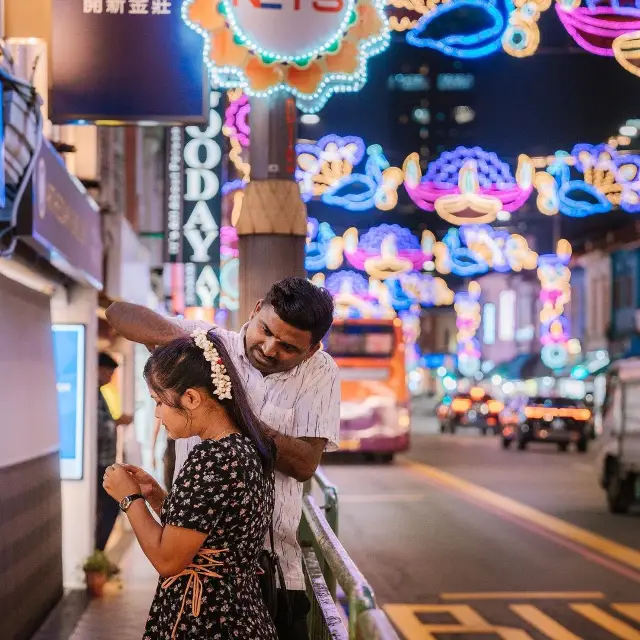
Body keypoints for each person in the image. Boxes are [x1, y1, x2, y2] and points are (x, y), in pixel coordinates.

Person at [106, 277, 340, 640]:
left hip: (256, 577)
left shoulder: (215, 454)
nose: (270, 347)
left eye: (288, 347)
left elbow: (305, 464)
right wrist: (196, 352)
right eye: (266, 330)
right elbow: (117, 313)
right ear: (256, 308)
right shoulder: (208, 342)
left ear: (311, 351)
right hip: (223, 576)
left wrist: (130, 499)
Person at [103, 330, 277, 639]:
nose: (158, 413)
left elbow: (168, 559)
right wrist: (156, 497)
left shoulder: (212, 457)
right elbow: (210, 528)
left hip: (207, 618)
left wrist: (129, 498)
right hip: (240, 612)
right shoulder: (242, 447)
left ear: (192, 398)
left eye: (159, 402)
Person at [96, 352, 133, 551]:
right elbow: (98, 428)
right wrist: (119, 421)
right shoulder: (91, 393)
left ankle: (97, 552)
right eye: (108, 372)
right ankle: (97, 551)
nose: (110, 377)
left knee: (108, 508)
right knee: (110, 507)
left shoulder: (99, 393)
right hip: (97, 462)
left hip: (104, 460)